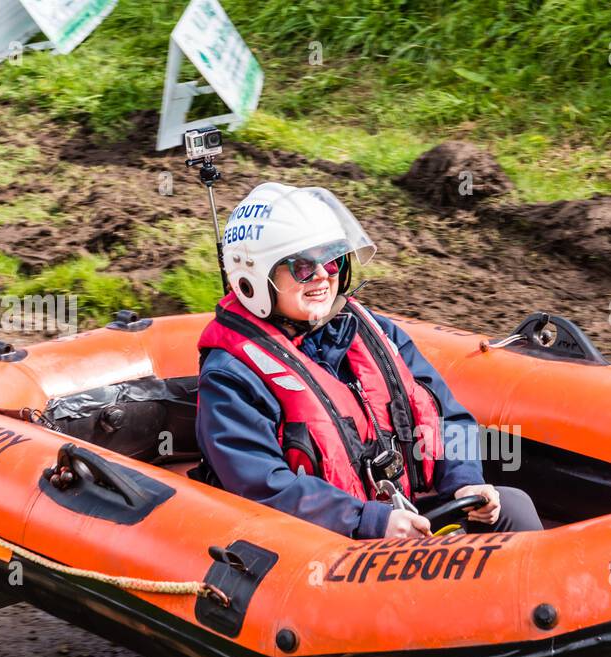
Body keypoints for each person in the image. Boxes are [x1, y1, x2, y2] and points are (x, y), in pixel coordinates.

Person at [196, 182, 542, 540]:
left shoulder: (374, 331)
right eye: (302, 266)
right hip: (325, 541)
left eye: (332, 260)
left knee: (513, 507)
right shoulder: (231, 375)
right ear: (255, 277)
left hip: (398, 518)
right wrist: (368, 521)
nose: (322, 276)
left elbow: (446, 416)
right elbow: (263, 486)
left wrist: (464, 482)